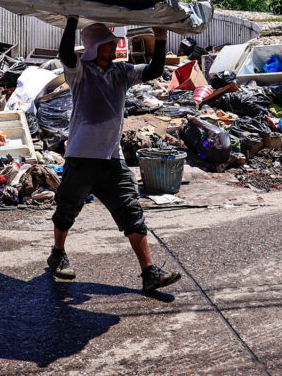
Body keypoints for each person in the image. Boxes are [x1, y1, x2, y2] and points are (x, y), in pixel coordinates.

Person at [47, 17, 182, 294]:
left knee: (131, 211)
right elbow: (65, 54)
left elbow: (155, 69)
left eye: (113, 44)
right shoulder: (79, 72)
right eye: (107, 44)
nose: (113, 48)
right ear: (94, 47)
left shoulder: (122, 71)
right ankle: (58, 254)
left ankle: (149, 272)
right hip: (82, 156)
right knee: (67, 208)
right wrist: (71, 19)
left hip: (112, 157)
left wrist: (160, 37)